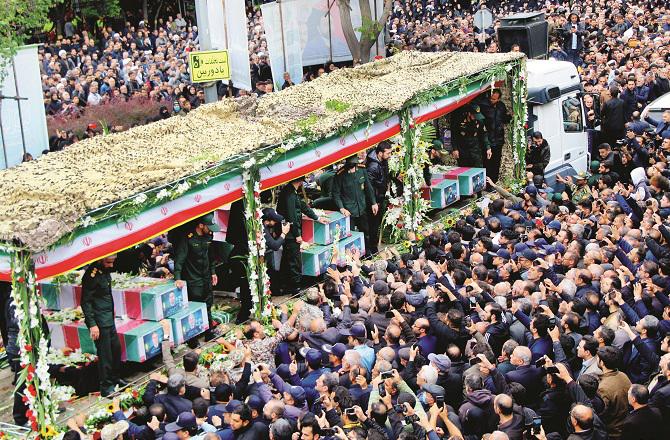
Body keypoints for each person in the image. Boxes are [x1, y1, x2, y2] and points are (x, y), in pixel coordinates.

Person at [80, 255, 125, 396]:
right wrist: (92, 324)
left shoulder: (104, 271)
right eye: (108, 262)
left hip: (109, 318)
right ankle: (106, 387)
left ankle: (115, 378)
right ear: (100, 259)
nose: (111, 265)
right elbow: (85, 302)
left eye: (113, 262)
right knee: (105, 356)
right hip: (100, 321)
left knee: (116, 350)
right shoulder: (91, 275)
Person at [173, 214, 220, 343]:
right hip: (193, 281)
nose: (211, 230)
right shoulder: (188, 239)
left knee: (208, 305)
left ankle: (208, 333)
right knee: (193, 309)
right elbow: (179, 260)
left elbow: (211, 257)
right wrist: (177, 277)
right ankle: (192, 338)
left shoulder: (208, 237)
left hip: (206, 279)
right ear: (200, 225)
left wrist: (213, 272)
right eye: (208, 227)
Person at [277, 177, 327, 295]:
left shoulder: (291, 192)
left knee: (288, 259)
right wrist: (297, 234)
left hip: (290, 232)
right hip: (290, 233)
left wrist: (317, 218)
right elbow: (291, 216)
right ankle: (295, 288)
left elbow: (303, 207)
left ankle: (285, 284)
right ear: (299, 182)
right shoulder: (289, 194)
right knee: (294, 261)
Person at [332, 156, 378, 255]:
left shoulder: (362, 170)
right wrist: (342, 208)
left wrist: (374, 202)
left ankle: (367, 252)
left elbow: (368, 187)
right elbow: (336, 194)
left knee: (365, 232)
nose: (353, 168)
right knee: (350, 235)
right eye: (351, 166)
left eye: (354, 166)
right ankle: (352, 256)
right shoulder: (340, 174)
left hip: (361, 207)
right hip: (349, 211)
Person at [479, 89, 511, 183]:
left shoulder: (501, 106)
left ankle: (494, 183)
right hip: (488, 140)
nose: (492, 100)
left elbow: (504, 119)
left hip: (499, 139)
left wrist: (510, 116)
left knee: (496, 162)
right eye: (491, 98)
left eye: (494, 99)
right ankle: (487, 183)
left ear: (498, 99)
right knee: (487, 163)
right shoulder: (483, 105)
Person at [366, 142, 392, 254]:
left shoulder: (383, 162)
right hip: (375, 200)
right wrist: (374, 202)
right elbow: (369, 187)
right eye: (388, 153)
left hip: (381, 196)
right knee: (373, 225)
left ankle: (374, 246)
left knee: (376, 224)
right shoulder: (373, 166)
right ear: (380, 153)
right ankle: (372, 248)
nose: (390, 155)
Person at [262, 208, 291, 295]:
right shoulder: (262, 229)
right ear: (267, 221)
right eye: (274, 221)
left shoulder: (266, 226)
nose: (275, 223)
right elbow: (275, 246)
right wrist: (284, 233)